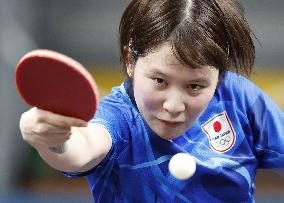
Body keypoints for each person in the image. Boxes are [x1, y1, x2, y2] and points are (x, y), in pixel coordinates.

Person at [19, 0, 284, 202]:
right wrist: (55, 141)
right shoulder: (119, 118)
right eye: (159, 81)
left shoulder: (240, 99)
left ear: (219, 75)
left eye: (195, 86)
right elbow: (84, 148)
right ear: (129, 60)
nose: (173, 105)